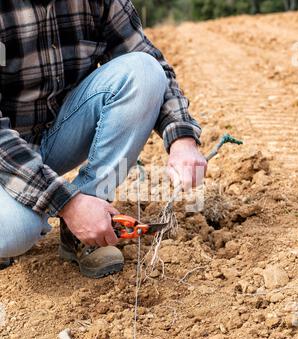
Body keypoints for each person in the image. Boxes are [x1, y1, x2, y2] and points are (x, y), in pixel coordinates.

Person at [0, 0, 207, 278]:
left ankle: (87, 226)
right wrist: (67, 203)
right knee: (15, 232)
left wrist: (182, 139)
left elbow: (145, 57)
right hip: (7, 153)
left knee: (143, 71)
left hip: (55, 134)